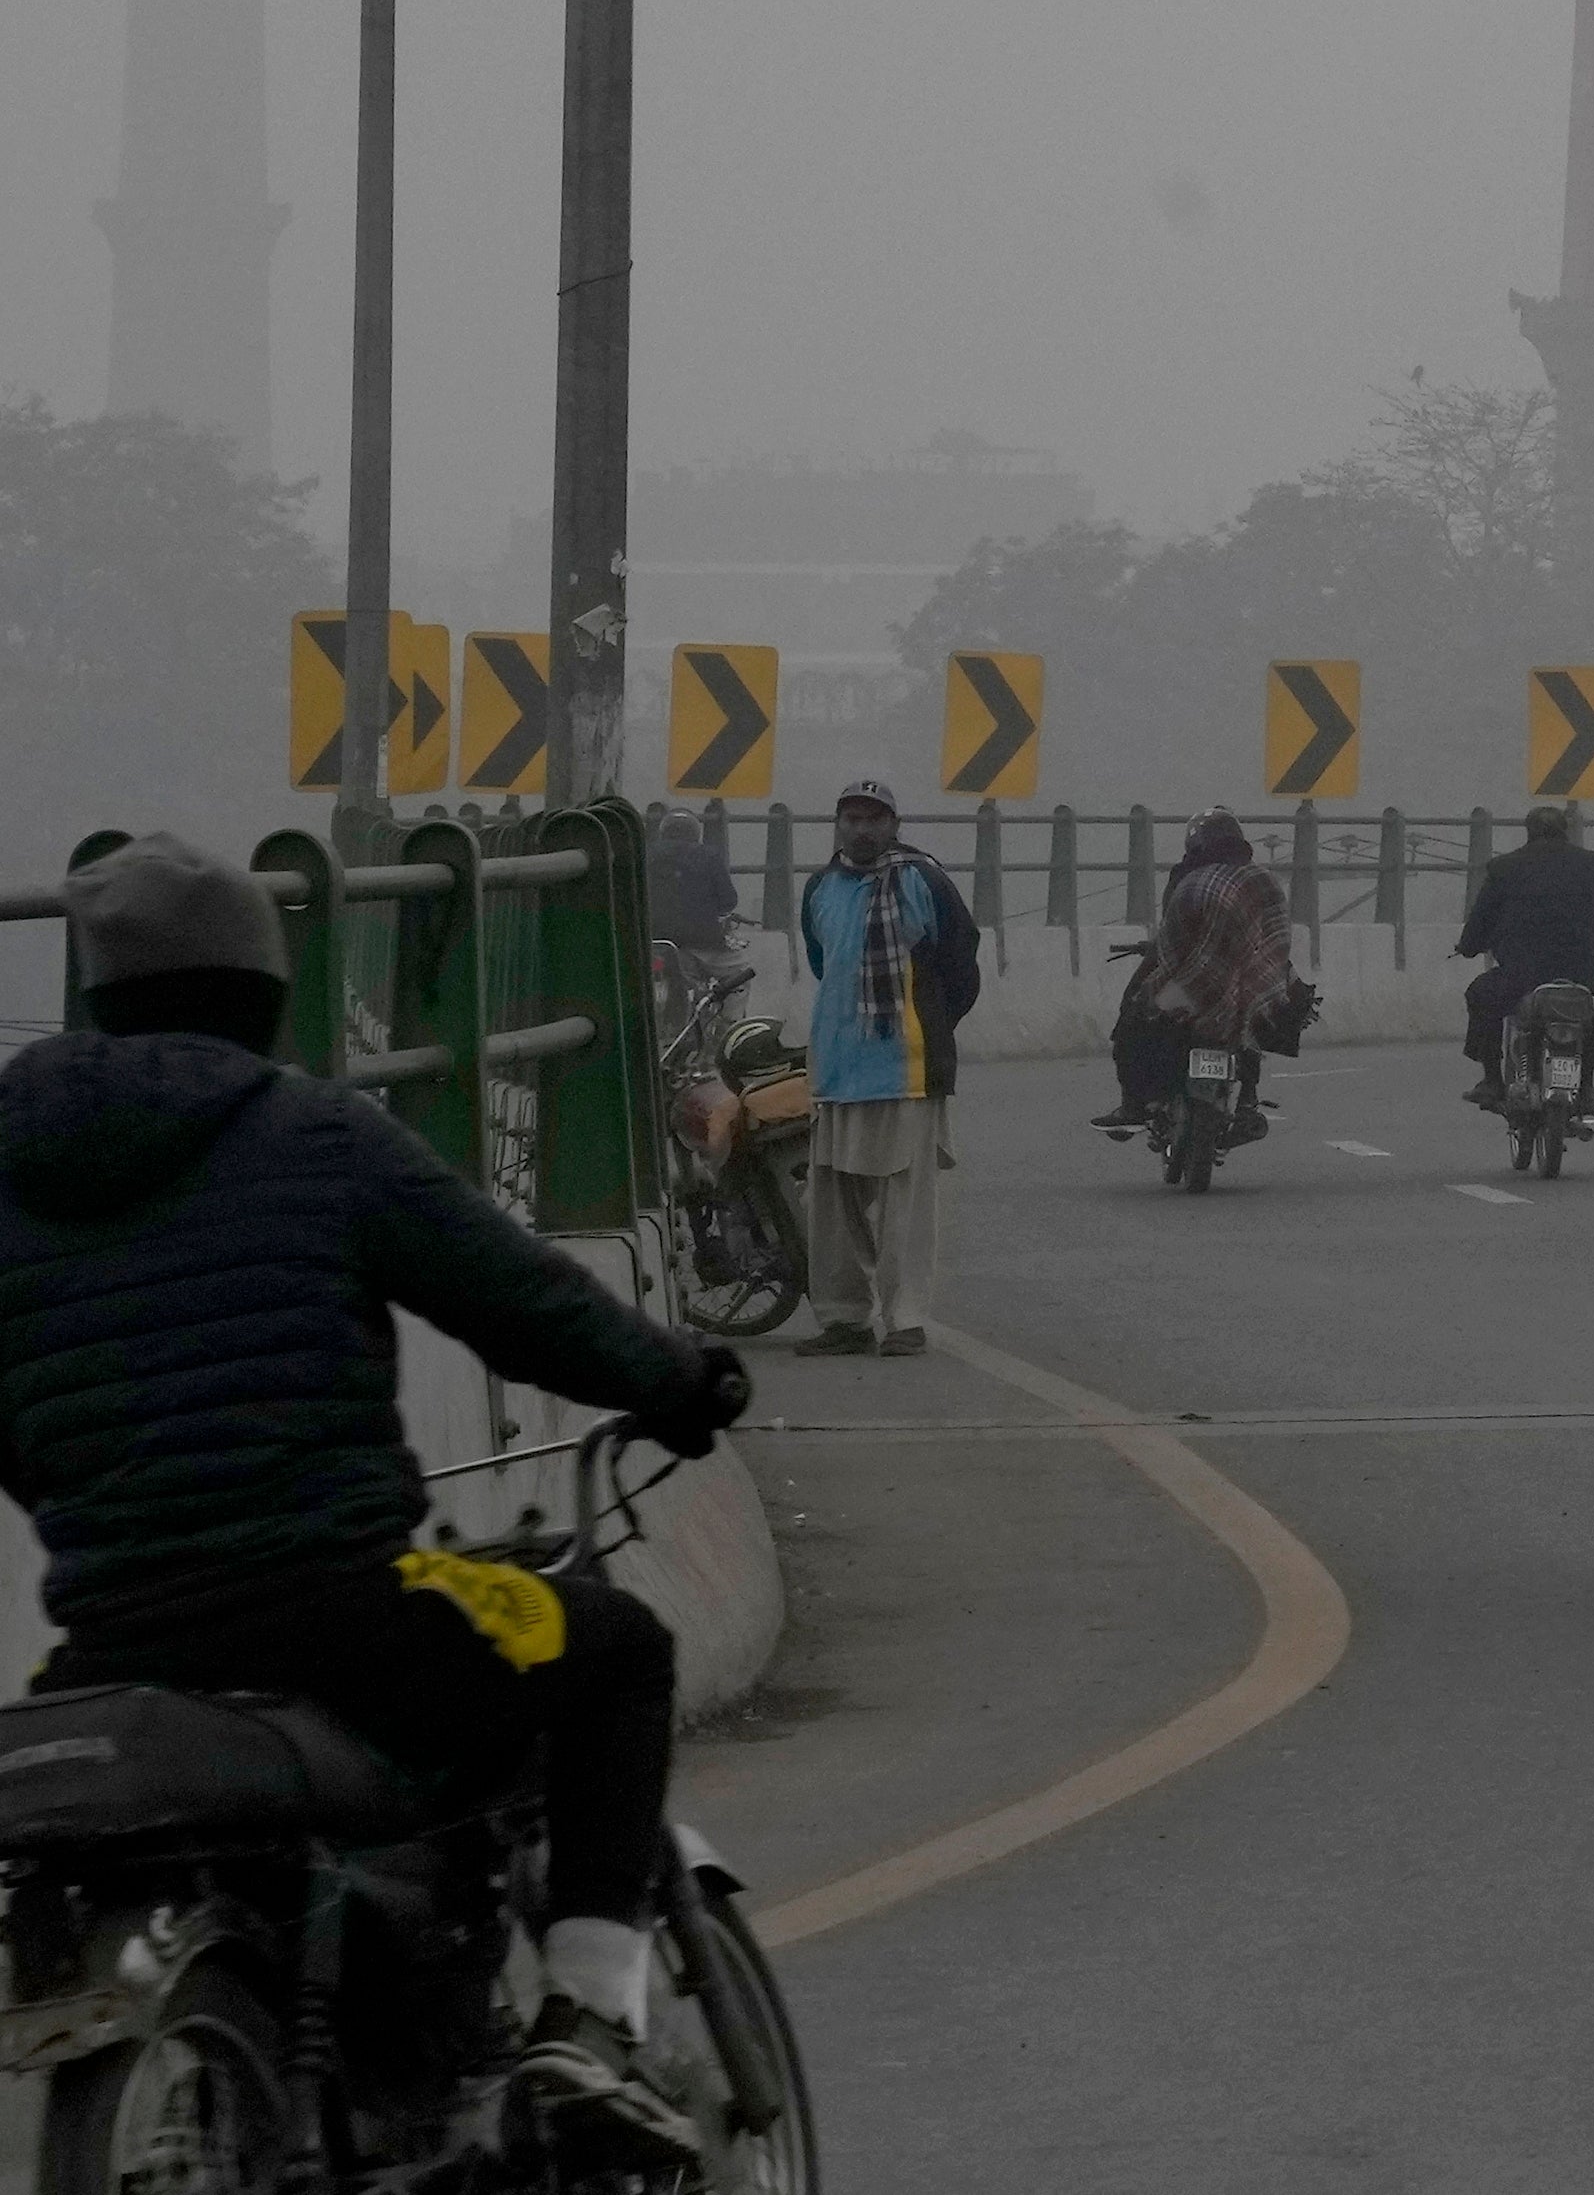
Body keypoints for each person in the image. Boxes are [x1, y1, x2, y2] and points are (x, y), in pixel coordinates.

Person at [0, 834, 749, 2166]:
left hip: (115, 1644)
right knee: (619, 1649)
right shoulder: (314, 1131)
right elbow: (520, 1301)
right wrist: (679, 1378)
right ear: (263, 989)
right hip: (340, 1612)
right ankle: (587, 2017)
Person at [793, 778, 976, 1360]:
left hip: (905, 1070)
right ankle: (844, 1320)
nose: (862, 829)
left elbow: (960, 966)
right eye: (852, 818)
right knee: (831, 1207)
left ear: (894, 825)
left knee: (904, 1206)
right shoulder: (821, 887)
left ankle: (906, 1320)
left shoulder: (923, 881)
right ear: (838, 825)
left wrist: (927, 1023)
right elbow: (824, 963)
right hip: (836, 1069)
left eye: (875, 818)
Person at [1109, 812, 1294, 1140]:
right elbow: (1273, 933)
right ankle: (1248, 1099)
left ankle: (1133, 1103)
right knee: (1258, 1012)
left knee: (1137, 1010)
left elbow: (1173, 934)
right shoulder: (1260, 878)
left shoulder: (1188, 877)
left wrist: (1172, 961)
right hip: (1249, 975)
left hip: (1193, 980)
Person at [1456, 803, 1594, 1109]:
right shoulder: (1590, 863)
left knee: (1480, 996)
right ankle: (1585, 1084)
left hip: (1520, 977)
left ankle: (1492, 1080)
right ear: (1565, 831)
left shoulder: (1504, 867)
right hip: (1579, 974)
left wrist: (1467, 947)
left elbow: (1481, 918)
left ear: (1529, 832)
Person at [645, 806, 743, 957]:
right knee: (734, 964)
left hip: (653, 934)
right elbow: (728, 901)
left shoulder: (646, 854)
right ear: (696, 832)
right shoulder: (710, 856)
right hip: (701, 938)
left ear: (663, 831)